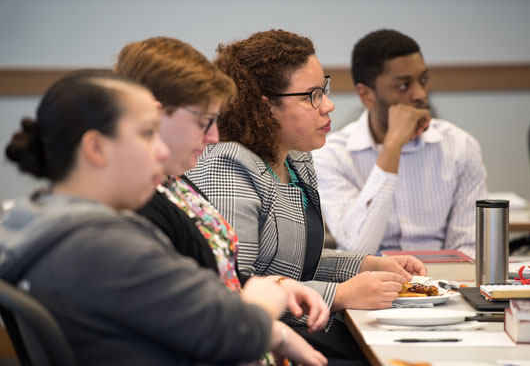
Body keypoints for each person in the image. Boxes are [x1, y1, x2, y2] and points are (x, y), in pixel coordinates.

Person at [0, 71, 325, 366]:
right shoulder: (101, 245)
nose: (160, 151)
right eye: (147, 134)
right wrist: (265, 301)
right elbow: (233, 330)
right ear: (96, 148)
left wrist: (273, 329)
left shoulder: (40, 219)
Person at [187, 29, 426, 363]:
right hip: (267, 345)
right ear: (265, 107)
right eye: (311, 95)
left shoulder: (294, 157)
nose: (327, 105)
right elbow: (238, 287)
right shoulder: (228, 166)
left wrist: (364, 264)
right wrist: (339, 294)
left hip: (306, 329)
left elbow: (297, 262)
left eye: (324, 89)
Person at [113, 36, 329, 365]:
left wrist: (276, 290)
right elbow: (186, 319)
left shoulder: (172, 184)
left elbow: (217, 275)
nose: (214, 136)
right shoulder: (135, 205)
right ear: (154, 116)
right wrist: (268, 316)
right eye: (203, 122)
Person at [312, 29, 487, 257]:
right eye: (403, 86)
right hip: (371, 284)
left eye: (423, 81)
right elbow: (358, 248)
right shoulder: (331, 154)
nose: (420, 94)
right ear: (367, 96)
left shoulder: (460, 146)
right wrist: (392, 146)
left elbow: (468, 249)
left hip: (444, 284)